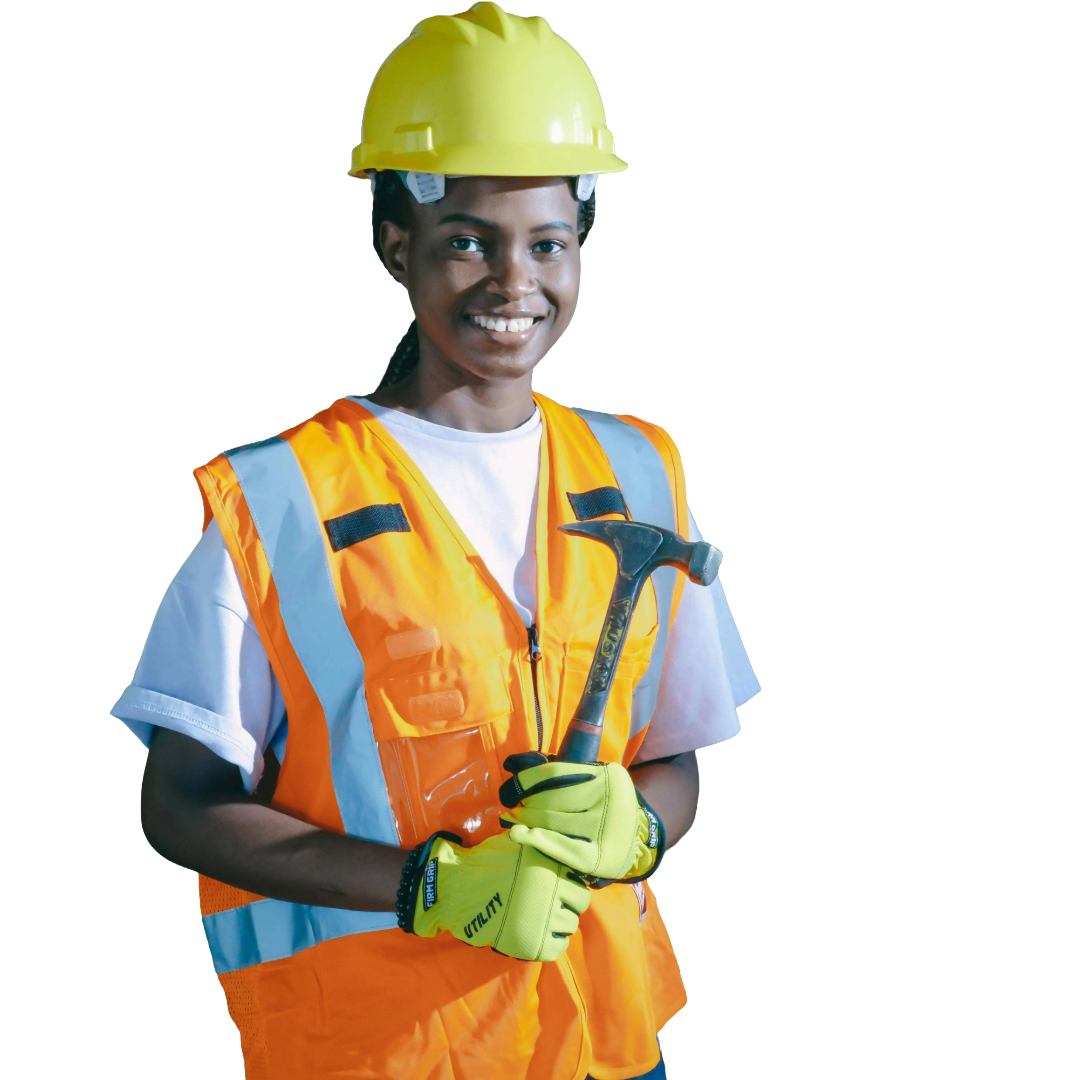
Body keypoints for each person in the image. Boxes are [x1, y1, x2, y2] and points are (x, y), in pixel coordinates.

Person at [114, 5, 760, 1077]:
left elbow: (675, 755)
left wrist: (637, 829)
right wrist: (422, 884)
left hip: (605, 1044)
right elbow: (178, 807)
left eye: (548, 243)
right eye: (469, 240)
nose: (517, 283)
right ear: (395, 245)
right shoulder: (281, 500)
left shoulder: (639, 468)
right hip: (376, 1053)